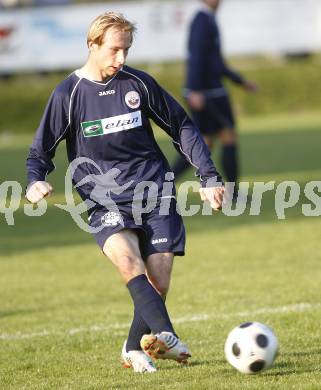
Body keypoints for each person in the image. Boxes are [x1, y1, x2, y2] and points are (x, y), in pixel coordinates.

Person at [26, 12, 224, 373]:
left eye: (127, 50)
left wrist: (209, 176)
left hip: (155, 189)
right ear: (93, 44)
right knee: (130, 264)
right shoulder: (68, 95)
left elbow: (181, 126)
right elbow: (40, 151)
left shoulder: (139, 84)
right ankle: (166, 335)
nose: (122, 59)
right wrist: (34, 179)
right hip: (104, 198)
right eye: (115, 50)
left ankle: (134, 348)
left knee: (158, 283)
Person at [172, 0, 257, 199]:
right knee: (223, 137)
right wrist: (193, 90)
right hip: (207, 93)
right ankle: (234, 192)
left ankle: (163, 183)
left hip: (211, 91)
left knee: (206, 143)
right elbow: (196, 57)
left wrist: (240, 81)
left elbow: (216, 62)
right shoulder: (201, 20)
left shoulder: (208, 19)